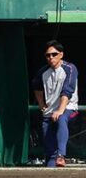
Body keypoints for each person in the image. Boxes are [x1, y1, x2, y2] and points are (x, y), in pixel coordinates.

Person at [32, 40, 79, 168]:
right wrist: (41, 103)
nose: (51, 57)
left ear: (61, 54)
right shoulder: (43, 72)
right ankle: (51, 166)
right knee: (49, 152)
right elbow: (36, 86)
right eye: (48, 55)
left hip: (68, 108)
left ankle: (61, 155)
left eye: (54, 54)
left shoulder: (70, 68)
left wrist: (60, 110)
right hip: (49, 112)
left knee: (61, 119)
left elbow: (67, 91)